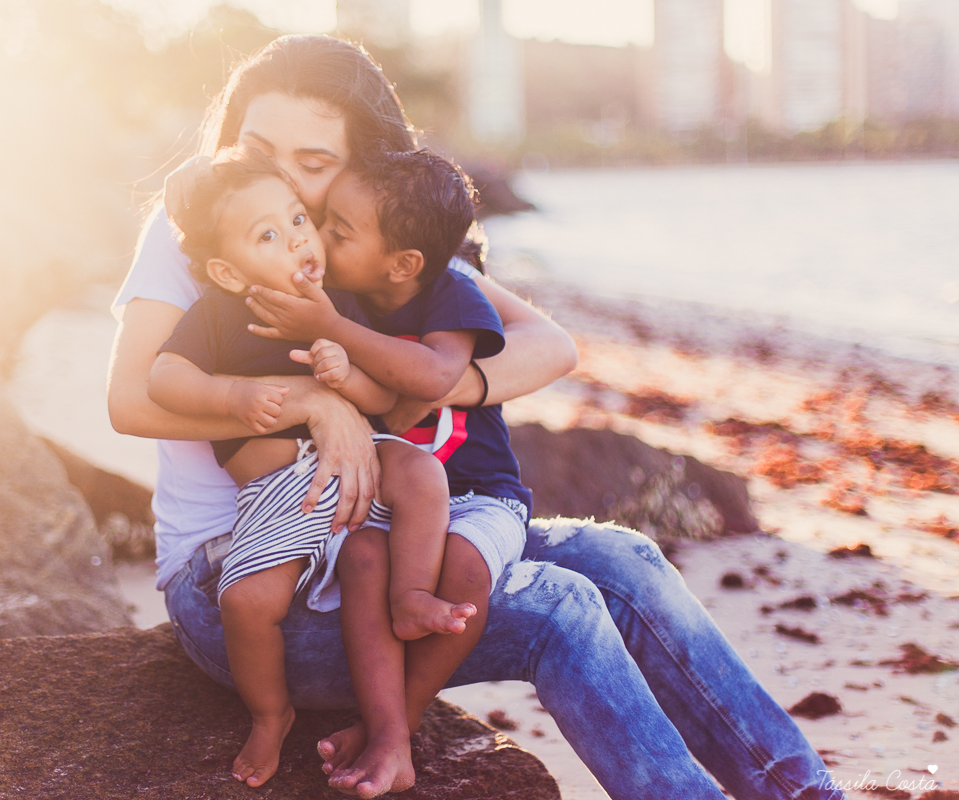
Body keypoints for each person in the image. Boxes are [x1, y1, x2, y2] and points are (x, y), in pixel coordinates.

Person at [107, 33, 844, 800]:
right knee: (561, 609)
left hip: (370, 541)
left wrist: (423, 386)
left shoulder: (359, 241)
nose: (282, 181)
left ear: (360, 168)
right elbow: (129, 399)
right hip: (242, 578)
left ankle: (804, 794)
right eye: (258, 147)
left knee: (628, 562)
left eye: (315, 164)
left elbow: (549, 346)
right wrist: (313, 404)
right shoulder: (199, 229)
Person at [145, 145, 478, 787]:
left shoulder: (336, 308)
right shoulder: (217, 313)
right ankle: (271, 714)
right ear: (229, 271)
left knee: (421, 473)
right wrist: (233, 396)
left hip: (359, 473)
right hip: (281, 496)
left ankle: (410, 594)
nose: (300, 239)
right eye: (268, 235)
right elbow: (163, 377)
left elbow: (386, 405)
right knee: (246, 603)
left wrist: (347, 374)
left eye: (299, 218)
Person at [240, 145, 533, 796]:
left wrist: (330, 324)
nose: (322, 238)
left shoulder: (450, 289)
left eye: (339, 231)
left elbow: (433, 376)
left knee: (462, 571)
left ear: (404, 264)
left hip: (480, 496)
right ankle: (387, 732)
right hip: (393, 496)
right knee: (362, 559)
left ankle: (396, 729)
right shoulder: (339, 289)